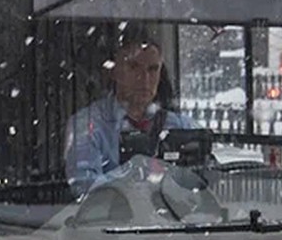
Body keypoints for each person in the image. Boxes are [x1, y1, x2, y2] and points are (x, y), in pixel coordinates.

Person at [65, 28, 192, 194]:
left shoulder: (180, 125)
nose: (144, 78)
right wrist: (137, 178)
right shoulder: (87, 124)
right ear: (114, 71)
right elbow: (84, 186)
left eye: (152, 69)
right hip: (111, 218)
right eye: (134, 67)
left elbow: (204, 176)